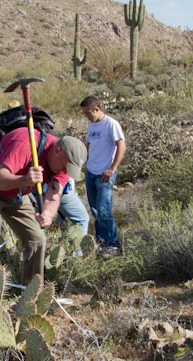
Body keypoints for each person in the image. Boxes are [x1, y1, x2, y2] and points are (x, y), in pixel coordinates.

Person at [0, 127, 87, 288]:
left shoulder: (63, 164)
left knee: (37, 240)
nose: (66, 171)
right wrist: (24, 180)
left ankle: (29, 298)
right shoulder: (25, 145)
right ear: (57, 150)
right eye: (66, 166)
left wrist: (48, 214)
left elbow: (54, 194)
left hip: (16, 193)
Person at [80, 95, 126, 255]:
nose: (86, 116)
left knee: (104, 209)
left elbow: (121, 145)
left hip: (105, 174)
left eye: (87, 113)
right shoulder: (92, 126)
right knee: (95, 210)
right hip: (91, 172)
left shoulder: (111, 124)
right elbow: (89, 145)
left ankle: (112, 243)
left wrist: (112, 168)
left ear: (96, 109)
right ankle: (101, 241)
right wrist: (85, 164)